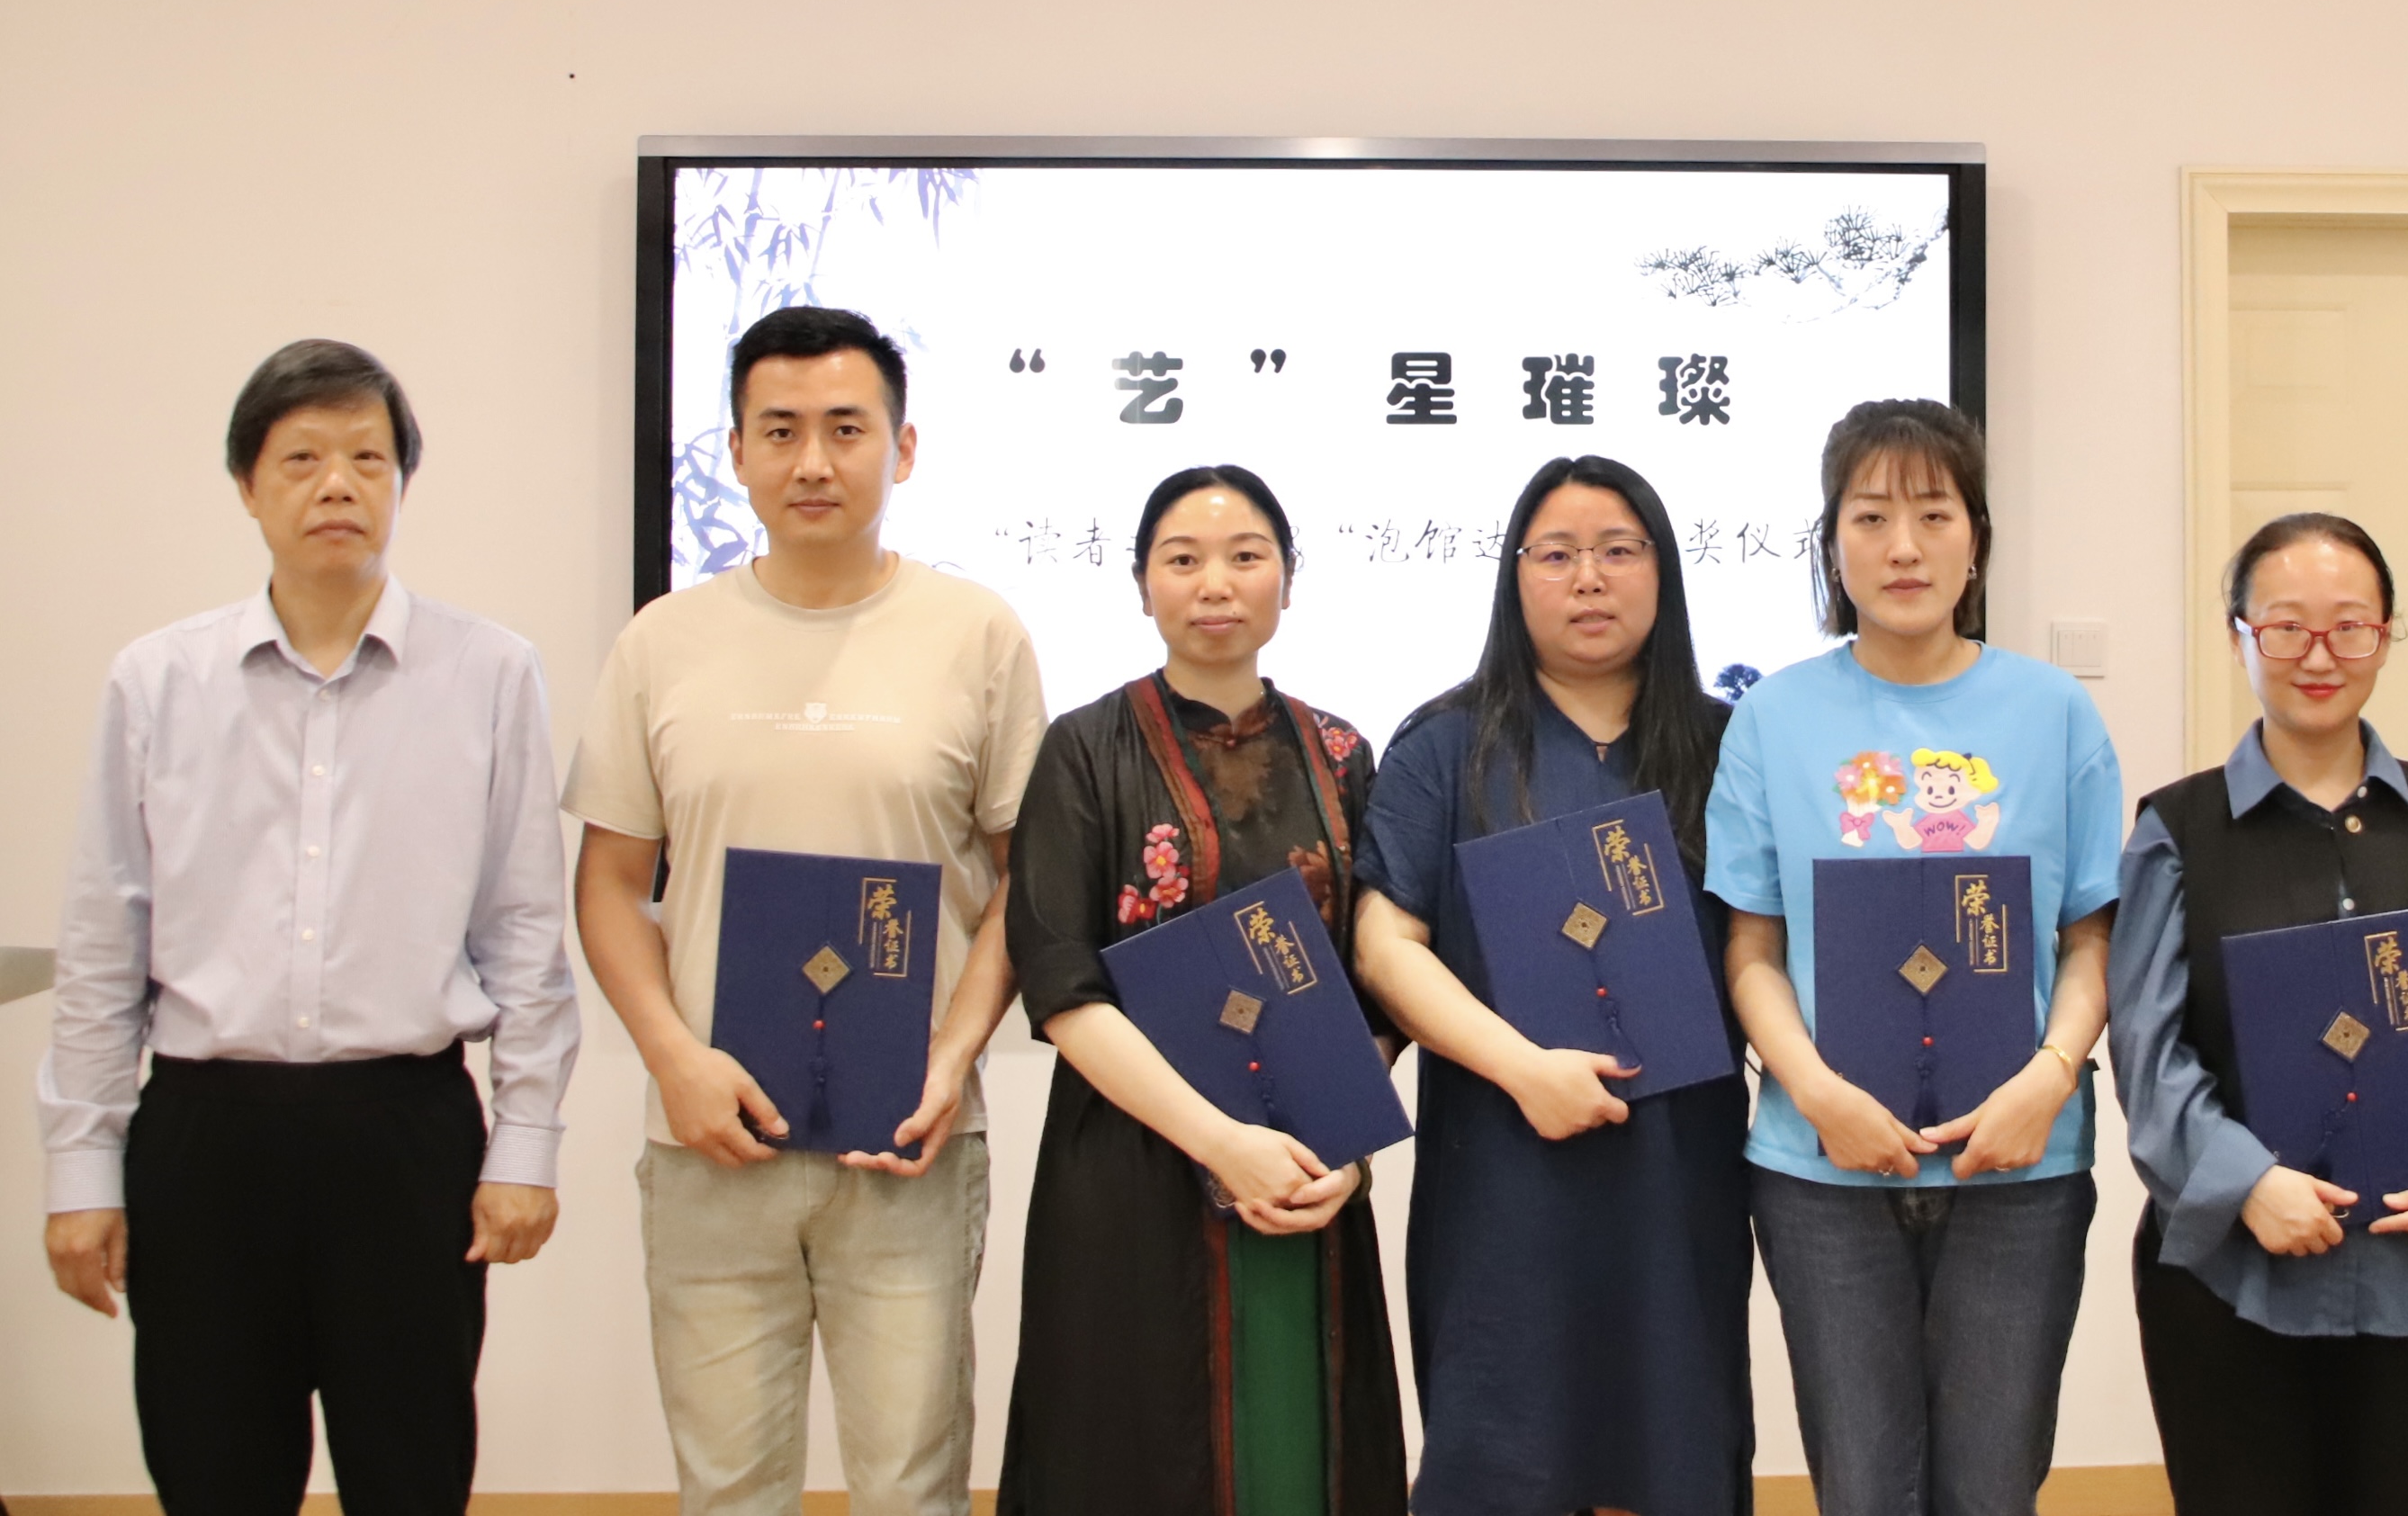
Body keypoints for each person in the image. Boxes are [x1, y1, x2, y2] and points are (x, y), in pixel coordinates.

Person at [36, 338, 580, 1516]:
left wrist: (524, 1146)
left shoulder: (490, 674)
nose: (338, 484)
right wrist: (80, 1166)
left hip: (406, 1134)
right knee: (212, 1474)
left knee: (412, 1473)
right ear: (248, 484)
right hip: (205, 1137)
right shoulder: (157, 680)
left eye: (367, 459)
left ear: (401, 481)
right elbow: (105, 940)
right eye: (302, 459)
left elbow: (525, 930)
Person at [568, 306, 1046, 1516]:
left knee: (912, 1484)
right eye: (779, 431)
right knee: (727, 1488)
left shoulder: (977, 634)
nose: (814, 461)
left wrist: (950, 1058)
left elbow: (1024, 884)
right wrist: (673, 1060)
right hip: (711, 1139)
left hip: (910, 1140)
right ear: (736, 451)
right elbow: (611, 885)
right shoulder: (663, 642)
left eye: (846, 428)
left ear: (904, 447)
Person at [1703, 399, 2125, 1516]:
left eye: (1934, 514)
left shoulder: (2053, 711)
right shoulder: (1771, 718)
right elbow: (1752, 945)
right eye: (1871, 516)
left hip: (2018, 1166)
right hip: (1822, 1171)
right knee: (1863, 1487)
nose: (1903, 546)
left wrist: (2050, 1079)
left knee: (1993, 1486)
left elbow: (2091, 933)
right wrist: (1818, 1094)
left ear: (1976, 538)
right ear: (1830, 540)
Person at [2112, 514, 2408, 1516]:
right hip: (2230, 1273)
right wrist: (2249, 1183)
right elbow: (2149, 1051)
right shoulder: (2177, 831)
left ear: (2387, 635)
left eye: (2350, 627)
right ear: (2239, 635)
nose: (2319, 656)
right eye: (2286, 628)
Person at [998, 464, 1406, 1516]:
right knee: (1132, 1451)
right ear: (1143, 584)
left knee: (1308, 1451)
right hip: (1131, 1164)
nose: (1215, 582)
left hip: (1309, 1170)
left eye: (1245, 556)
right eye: (1183, 559)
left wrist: (1344, 1150)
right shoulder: (1083, 748)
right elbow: (1059, 981)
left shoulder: (1343, 755)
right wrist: (1222, 1142)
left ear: (1288, 579)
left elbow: (1379, 976)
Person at [1352, 455, 1755, 1516]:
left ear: (1662, 571)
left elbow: (1766, 950)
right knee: (1503, 1454)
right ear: (1514, 573)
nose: (1589, 577)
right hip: (1503, 1165)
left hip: (1679, 1172)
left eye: (1618, 550)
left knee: (1675, 1452)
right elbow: (1385, 944)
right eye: (1558, 553)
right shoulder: (1444, 744)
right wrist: (1523, 1068)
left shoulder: (1727, 747)